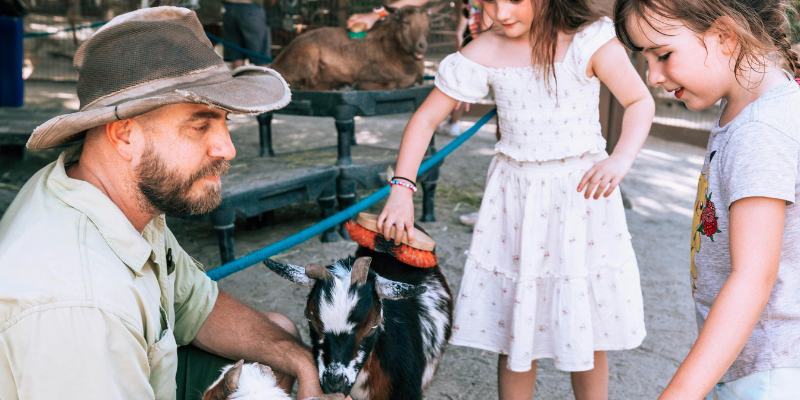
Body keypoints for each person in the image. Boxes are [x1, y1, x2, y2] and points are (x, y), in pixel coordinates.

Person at [0, 7, 342, 400]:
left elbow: (196, 304)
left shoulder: (120, 198)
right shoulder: (82, 306)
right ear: (125, 136)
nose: (227, 148)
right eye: (200, 125)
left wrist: (300, 362)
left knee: (279, 337)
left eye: (224, 121)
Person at [377, 0, 655, 397]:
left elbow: (639, 101)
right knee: (516, 330)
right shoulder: (485, 49)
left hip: (580, 197)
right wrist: (402, 188)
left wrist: (621, 158)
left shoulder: (588, 38)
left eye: (513, 0)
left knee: (587, 325)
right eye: (488, 1)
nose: (500, 12)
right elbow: (425, 119)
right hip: (517, 202)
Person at [615, 0, 800, 398]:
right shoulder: (753, 110)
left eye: (663, 55)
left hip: (768, 372)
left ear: (724, 35)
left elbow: (753, 278)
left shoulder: (760, 131)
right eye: (645, 59)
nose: (652, 76)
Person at [222, 0, 276, 68]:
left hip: (228, 8)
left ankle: (239, 78)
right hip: (250, 8)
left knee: (236, 56)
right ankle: (261, 78)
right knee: (261, 58)